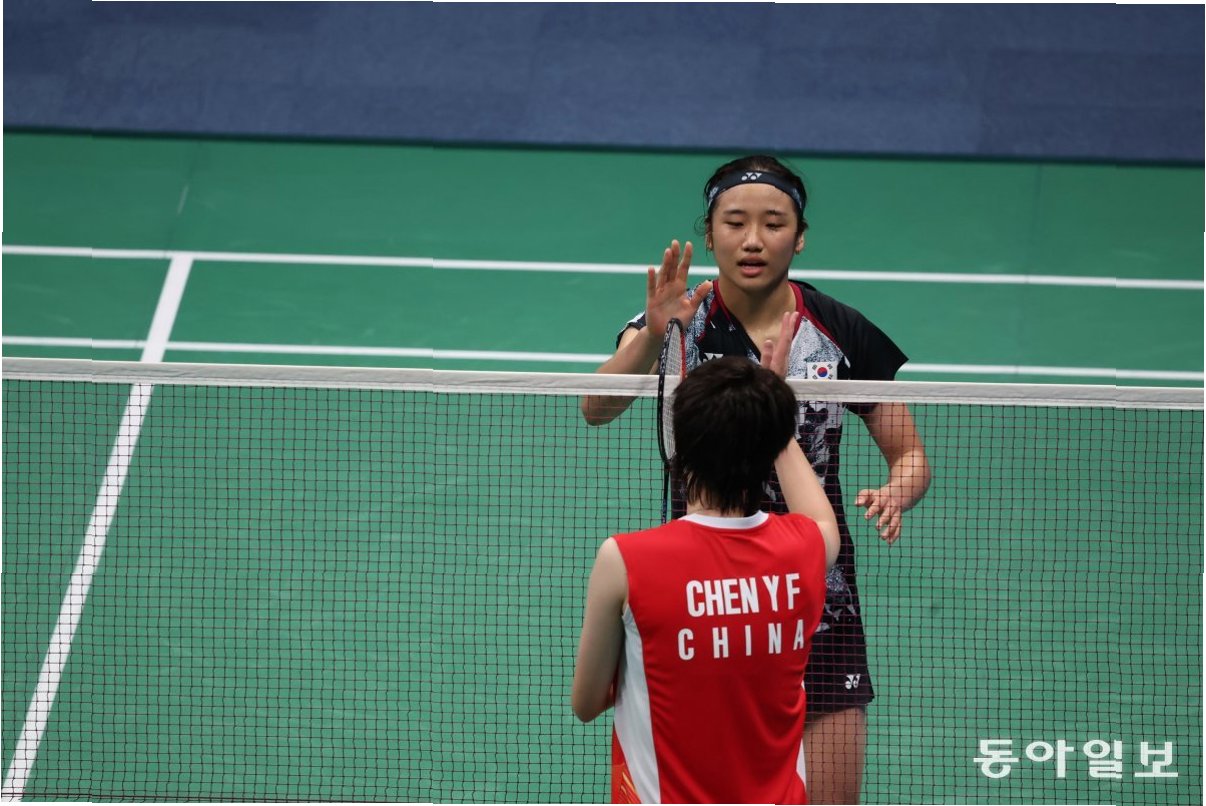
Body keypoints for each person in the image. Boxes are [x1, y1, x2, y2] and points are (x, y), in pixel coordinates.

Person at [580, 155, 932, 804]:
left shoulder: (839, 330)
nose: (752, 240)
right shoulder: (677, 316)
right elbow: (595, 407)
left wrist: (896, 491)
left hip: (815, 591)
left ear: (800, 238)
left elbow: (909, 454)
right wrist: (652, 336)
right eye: (735, 222)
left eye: (774, 224)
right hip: (702, 592)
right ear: (709, 232)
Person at [572, 342, 842, 803]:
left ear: (682, 447)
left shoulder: (624, 559)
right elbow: (820, 517)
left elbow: (586, 703)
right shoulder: (807, 548)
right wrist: (771, 408)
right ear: (770, 444)